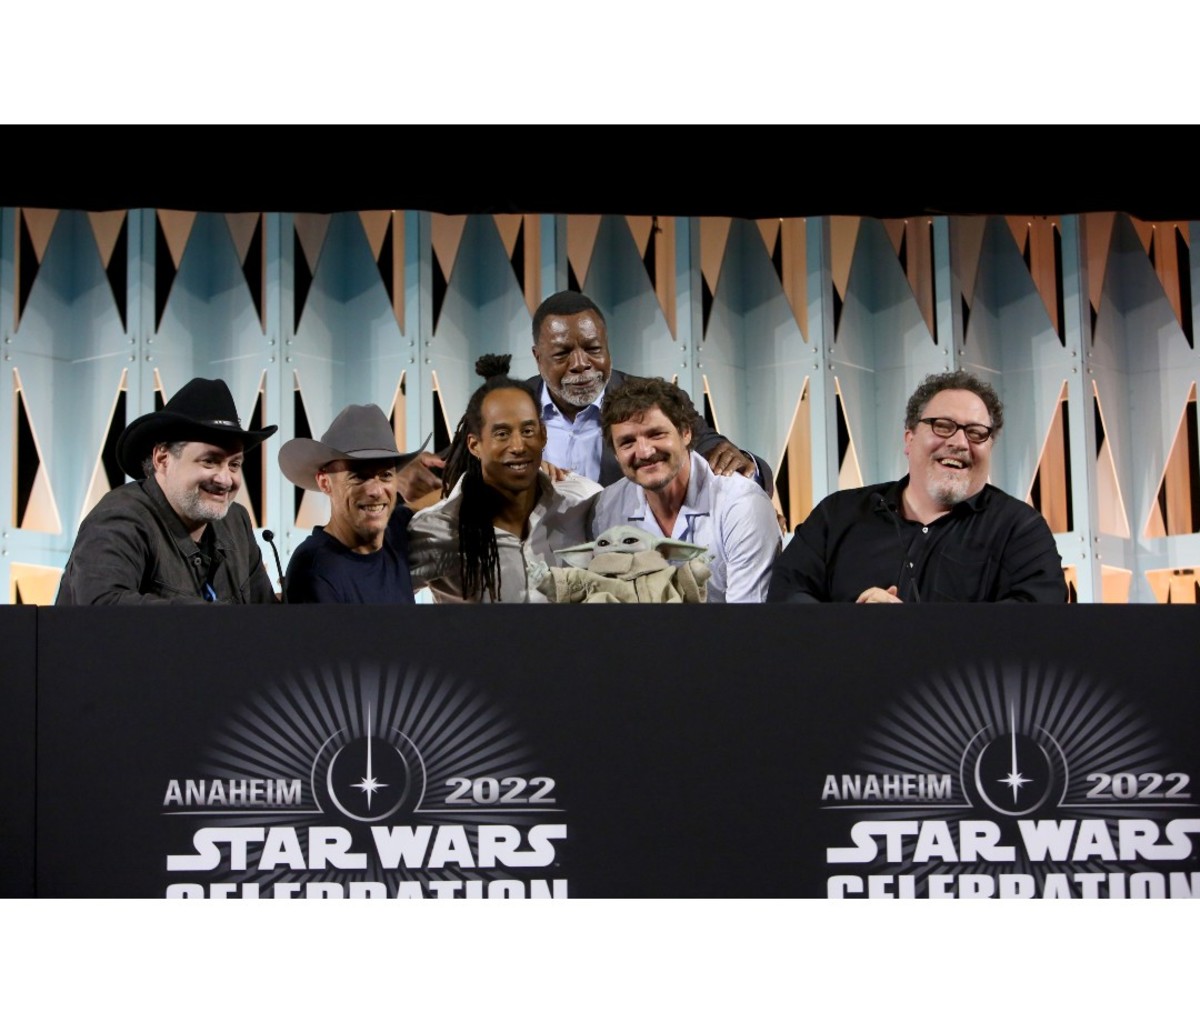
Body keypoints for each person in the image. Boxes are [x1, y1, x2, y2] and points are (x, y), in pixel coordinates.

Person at [767, 370, 1068, 603]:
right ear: (909, 439)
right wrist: (852, 624)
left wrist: (913, 628)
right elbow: (786, 594)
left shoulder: (1021, 531)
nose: (960, 443)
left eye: (976, 433)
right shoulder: (839, 515)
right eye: (943, 426)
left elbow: (1036, 624)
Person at [56, 377, 278, 605]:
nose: (224, 479)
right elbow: (103, 608)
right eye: (210, 461)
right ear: (162, 459)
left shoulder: (236, 521)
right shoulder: (118, 519)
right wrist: (216, 620)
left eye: (234, 465)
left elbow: (266, 616)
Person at [529, 290, 774, 493]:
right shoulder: (508, 405)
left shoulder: (651, 399)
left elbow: (712, 447)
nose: (580, 364)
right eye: (562, 354)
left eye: (593, 348)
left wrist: (744, 466)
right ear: (538, 357)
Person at [408, 354, 600, 602]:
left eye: (528, 431)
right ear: (475, 445)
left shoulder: (583, 501)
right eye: (502, 433)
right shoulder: (435, 530)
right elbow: (377, 587)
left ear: (543, 435)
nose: (518, 446)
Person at [589, 376, 781, 603]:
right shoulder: (608, 507)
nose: (644, 452)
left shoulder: (742, 505)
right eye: (627, 442)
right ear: (615, 453)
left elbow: (749, 624)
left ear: (686, 433)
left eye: (656, 434)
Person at [278, 404, 428, 603]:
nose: (375, 491)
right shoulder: (314, 571)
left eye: (385, 475)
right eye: (358, 477)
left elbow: (444, 499)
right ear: (325, 483)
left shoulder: (396, 530)